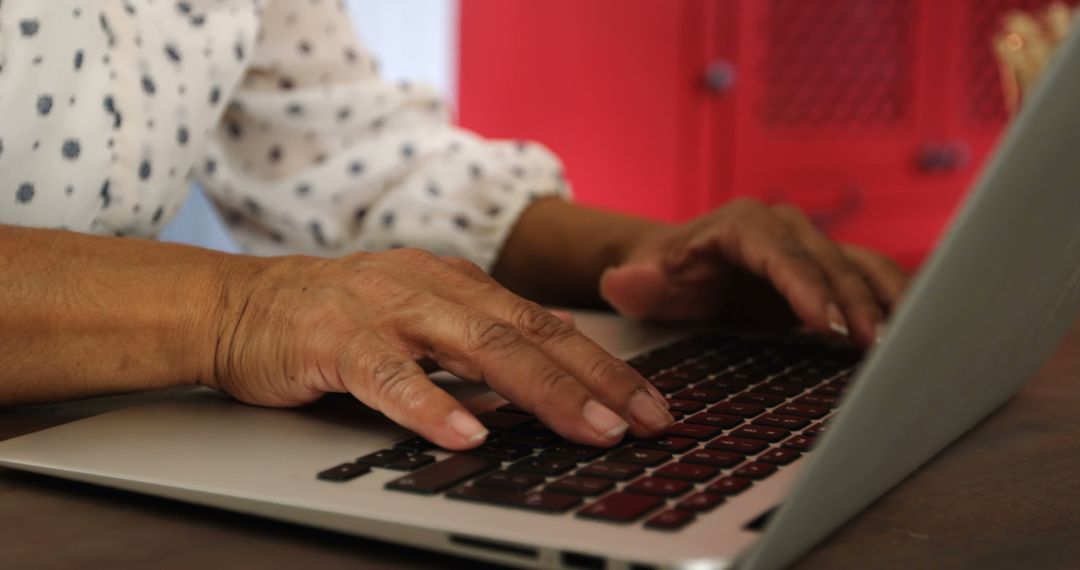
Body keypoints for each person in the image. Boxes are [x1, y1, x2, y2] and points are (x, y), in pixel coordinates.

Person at [0, 1, 907, 451]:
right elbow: (244, 302)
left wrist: (633, 252)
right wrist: (235, 309)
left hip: (98, 442)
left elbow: (351, 153)